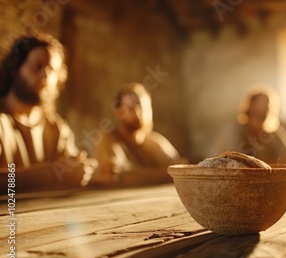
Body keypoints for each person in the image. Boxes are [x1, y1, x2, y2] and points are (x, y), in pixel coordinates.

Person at [0, 35, 95, 192]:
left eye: (52, 70)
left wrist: (86, 170)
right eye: (37, 66)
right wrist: (51, 175)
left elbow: (71, 169)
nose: (46, 76)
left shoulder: (55, 126)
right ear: (15, 70)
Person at [91, 83, 185, 186]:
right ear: (118, 112)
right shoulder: (108, 139)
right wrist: (166, 174)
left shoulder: (154, 142)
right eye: (131, 109)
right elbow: (119, 176)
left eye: (143, 108)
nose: (138, 113)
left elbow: (182, 171)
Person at [214, 85, 286, 165]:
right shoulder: (235, 130)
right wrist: (274, 163)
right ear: (250, 106)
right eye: (263, 103)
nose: (267, 107)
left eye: (268, 104)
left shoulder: (271, 133)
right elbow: (237, 162)